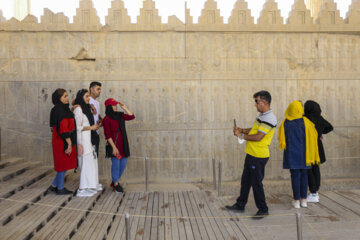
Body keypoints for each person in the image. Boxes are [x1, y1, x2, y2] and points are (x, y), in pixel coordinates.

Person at [226, 90, 277, 218]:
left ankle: (263, 209)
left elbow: (258, 136)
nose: (255, 104)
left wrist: (241, 135)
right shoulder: (262, 116)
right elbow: (254, 130)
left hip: (258, 155)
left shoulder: (269, 118)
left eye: (257, 101)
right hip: (251, 154)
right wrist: (242, 130)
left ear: (264, 102)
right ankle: (240, 204)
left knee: (256, 183)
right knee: (246, 181)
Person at [278, 101, 320, 209]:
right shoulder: (306, 122)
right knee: (304, 176)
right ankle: (304, 200)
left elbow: (282, 138)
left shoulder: (285, 123)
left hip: (292, 155)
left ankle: (296, 201)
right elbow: (314, 135)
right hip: (306, 155)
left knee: (295, 176)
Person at [102, 98, 135, 193]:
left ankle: (114, 180)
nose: (115, 106)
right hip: (114, 145)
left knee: (123, 163)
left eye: (115, 105)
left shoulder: (120, 115)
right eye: (113, 105)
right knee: (116, 164)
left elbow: (132, 116)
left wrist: (124, 107)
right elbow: (107, 135)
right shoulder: (106, 119)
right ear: (108, 107)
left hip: (123, 144)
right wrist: (113, 147)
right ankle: (116, 184)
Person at [48, 88, 77, 195]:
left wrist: (72, 110)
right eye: (65, 96)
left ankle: (53, 186)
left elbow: (54, 126)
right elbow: (64, 129)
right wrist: (69, 144)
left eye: (67, 95)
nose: (67, 98)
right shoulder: (61, 110)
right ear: (59, 98)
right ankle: (60, 188)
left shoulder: (57, 109)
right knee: (62, 166)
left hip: (57, 139)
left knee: (62, 165)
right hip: (62, 140)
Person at [304, 100, 333, 203]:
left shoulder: (305, 119)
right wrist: (320, 133)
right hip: (318, 146)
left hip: (309, 147)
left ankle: (313, 193)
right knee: (316, 168)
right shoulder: (319, 118)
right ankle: (315, 192)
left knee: (309, 170)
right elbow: (330, 127)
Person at [73, 89, 100, 197]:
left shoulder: (84, 108)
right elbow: (77, 127)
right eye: (86, 96)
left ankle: (89, 185)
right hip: (83, 140)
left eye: (89, 96)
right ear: (81, 97)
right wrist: (91, 127)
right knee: (85, 164)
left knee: (89, 163)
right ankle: (82, 188)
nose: (89, 98)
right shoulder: (78, 109)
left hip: (87, 139)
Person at [89, 81, 102, 191]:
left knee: (95, 157)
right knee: (90, 158)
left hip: (96, 133)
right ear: (92, 89)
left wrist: (101, 121)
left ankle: (94, 182)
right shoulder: (87, 101)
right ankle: (89, 183)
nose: (100, 91)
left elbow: (98, 116)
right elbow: (76, 102)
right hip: (90, 133)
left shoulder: (97, 103)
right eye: (98, 89)